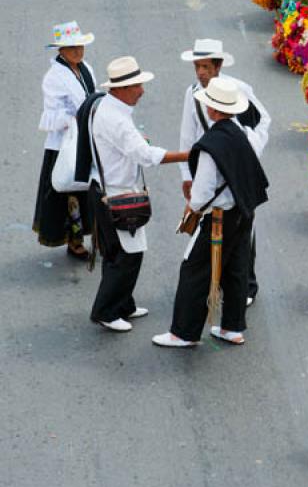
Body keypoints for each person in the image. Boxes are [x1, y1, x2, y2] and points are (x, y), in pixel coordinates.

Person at [153, 77, 269, 348]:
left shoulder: (211, 143)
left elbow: (202, 191)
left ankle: (183, 332)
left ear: (213, 110)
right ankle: (232, 327)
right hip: (243, 213)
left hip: (219, 217)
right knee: (236, 268)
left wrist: (192, 209)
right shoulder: (241, 133)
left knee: (194, 269)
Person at [88, 56, 189, 333]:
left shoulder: (109, 108)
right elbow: (145, 156)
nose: (141, 91)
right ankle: (106, 311)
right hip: (117, 195)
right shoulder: (116, 119)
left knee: (116, 252)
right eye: (136, 86)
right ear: (120, 89)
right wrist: (188, 155)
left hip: (105, 190)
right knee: (127, 255)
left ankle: (123, 304)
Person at [179, 38, 270, 306]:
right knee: (211, 230)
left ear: (218, 66)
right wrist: (187, 174)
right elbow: (187, 135)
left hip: (237, 173)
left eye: (206, 67)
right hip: (208, 171)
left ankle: (246, 287)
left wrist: (248, 151)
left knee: (243, 230)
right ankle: (217, 283)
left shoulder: (237, 89)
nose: (201, 73)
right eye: (197, 67)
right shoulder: (192, 93)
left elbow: (262, 120)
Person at [33, 21, 97, 259]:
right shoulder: (53, 77)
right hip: (64, 147)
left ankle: (92, 234)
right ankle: (75, 240)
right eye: (72, 48)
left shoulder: (86, 67)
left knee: (89, 190)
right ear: (60, 51)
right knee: (68, 194)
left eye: (79, 46)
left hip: (86, 140)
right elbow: (51, 114)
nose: (78, 52)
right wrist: (73, 117)